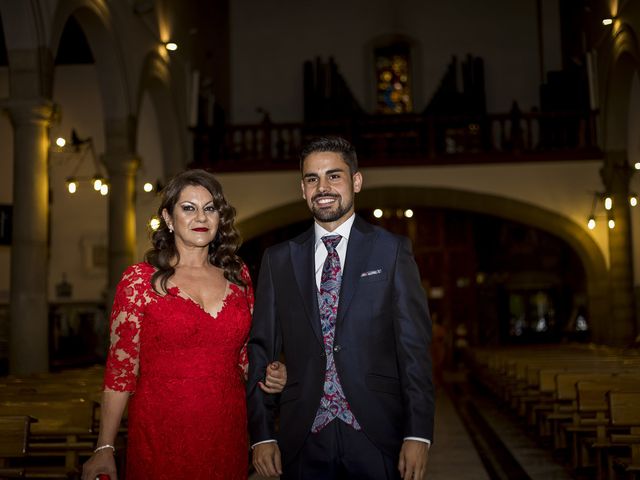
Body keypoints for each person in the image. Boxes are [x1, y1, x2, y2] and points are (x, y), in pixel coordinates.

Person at [247, 137, 434, 480]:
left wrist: (417, 432)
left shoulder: (391, 251)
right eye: (312, 179)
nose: (323, 187)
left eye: (334, 176)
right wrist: (263, 434)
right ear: (302, 189)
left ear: (356, 181)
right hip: (302, 435)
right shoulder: (278, 260)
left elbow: (414, 350)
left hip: (378, 432)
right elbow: (262, 351)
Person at [82, 169, 287, 480]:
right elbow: (120, 373)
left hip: (228, 432)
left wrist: (273, 372)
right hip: (160, 435)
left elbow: (247, 358)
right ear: (168, 217)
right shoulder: (139, 281)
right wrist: (104, 447)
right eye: (188, 208)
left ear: (220, 218)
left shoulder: (238, 276)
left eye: (210, 208)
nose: (200, 217)